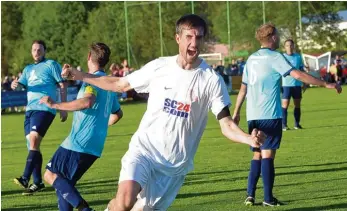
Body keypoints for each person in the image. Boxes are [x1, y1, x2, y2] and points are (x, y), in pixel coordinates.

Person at [62, 14, 266, 211]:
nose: (194, 43)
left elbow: (226, 123)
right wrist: (81, 75)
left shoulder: (211, 80)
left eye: (199, 37)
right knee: (124, 201)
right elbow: (119, 84)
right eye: (189, 36)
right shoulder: (160, 67)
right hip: (144, 151)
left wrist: (248, 139)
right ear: (178, 38)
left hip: (173, 166)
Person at [232, 23, 342, 207]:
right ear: (273, 37)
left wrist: (236, 113)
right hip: (269, 114)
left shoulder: (251, 59)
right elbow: (297, 75)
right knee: (268, 155)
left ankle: (250, 195)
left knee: (257, 154)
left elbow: (243, 88)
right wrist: (325, 84)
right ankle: (268, 199)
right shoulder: (275, 57)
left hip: (253, 114)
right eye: (277, 36)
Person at [40, 42, 123, 211]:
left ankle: (86, 210)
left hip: (79, 141)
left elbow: (87, 101)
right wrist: (99, 127)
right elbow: (117, 114)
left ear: (88, 57)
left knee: (50, 174)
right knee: (64, 184)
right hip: (95, 144)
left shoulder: (92, 81)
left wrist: (56, 105)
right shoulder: (108, 85)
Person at [11, 40, 68, 195]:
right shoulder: (28, 69)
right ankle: (37, 182)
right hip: (30, 110)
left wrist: (63, 107)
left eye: (39, 49)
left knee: (34, 141)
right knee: (32, 145)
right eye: (34, 50)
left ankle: (25, 177)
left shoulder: (51, 65)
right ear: (31, 52)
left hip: (45, 108)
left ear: (45, 51)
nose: (36, 52)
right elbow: (23, 85)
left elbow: (62, 84)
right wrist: (16, 85)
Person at [281, 39, 308, 131]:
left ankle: (297, 124)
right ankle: (284, 125)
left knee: (297, 105)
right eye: (287, 45)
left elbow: (301, 70)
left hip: (297, 84)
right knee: (285, 105)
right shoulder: (282, 57)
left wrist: (304, 82)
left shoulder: (298, 57)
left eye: (291, 45)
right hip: (286, 85)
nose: (289, 47)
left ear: (294, 46)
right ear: (284, 47)